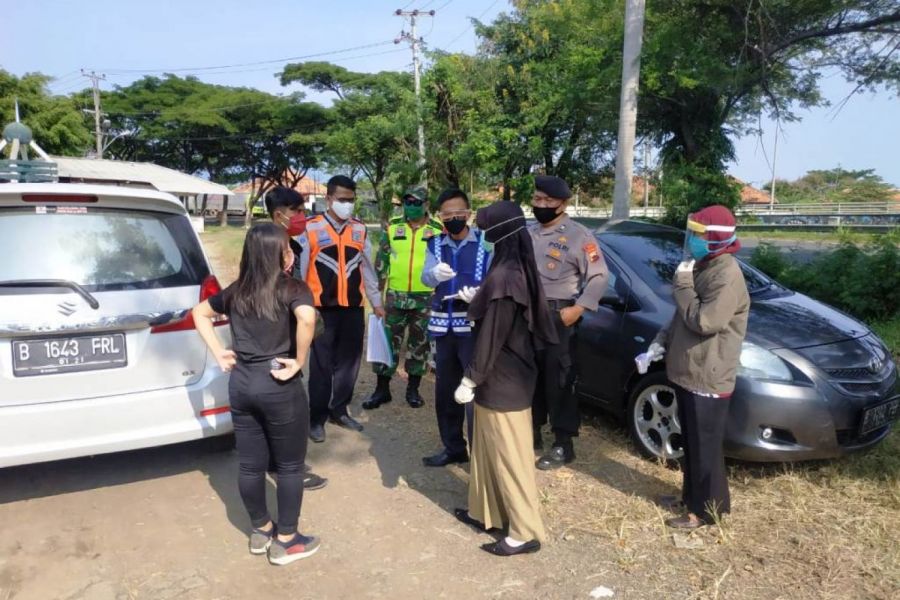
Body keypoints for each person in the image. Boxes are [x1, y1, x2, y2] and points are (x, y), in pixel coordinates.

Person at [192, 223, 320, 565]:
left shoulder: (237, 291)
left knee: (250, 465)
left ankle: (261, 530)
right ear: (282, 255)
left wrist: (220, 353)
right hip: (278, 382)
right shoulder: (293, 288)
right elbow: (307, 319)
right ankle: (287, 540)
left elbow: (199, 313)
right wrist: (300, 361)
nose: (291, 253)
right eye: (288, 248)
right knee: (289, 467)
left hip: (242, 383)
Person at [452, 201, 559, 557]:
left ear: (498, 233)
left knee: (510, 457)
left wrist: (470, 379)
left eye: (483, 230)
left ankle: (524, 532)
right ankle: (485, 512)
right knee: (485, 449)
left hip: (504, 379)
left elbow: (492, 336)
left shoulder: (505, 277)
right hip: (501, 376)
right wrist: (478, 300)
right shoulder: (508, 269)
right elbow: (497, 316)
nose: (480, 235)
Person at [638, 205, 749, 529]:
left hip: (708, 375)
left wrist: (683, 285)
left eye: (699, 234)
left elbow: (704, 321)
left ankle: (705, 512)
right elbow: (681, 317)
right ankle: (691, 497)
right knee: (691, 442)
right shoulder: (704, 266)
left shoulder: (726, 275)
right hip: (689, 371)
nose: (693, 240)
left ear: (716, 238)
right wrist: (660, 342)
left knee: (705, 448)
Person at [296, 175, 386, 442]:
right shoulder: (310, 228)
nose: (347, 204)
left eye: (351, 199)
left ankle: (339, 410)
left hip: (353, 308)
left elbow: (367, 269)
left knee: (349, 363)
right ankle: (317, 418)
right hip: (321, 309)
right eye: (342, 199)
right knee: (321, 365)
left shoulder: (360, 229)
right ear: (329, 199)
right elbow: (302, 270)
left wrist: (376, 303)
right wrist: (301, 306)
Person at [528, 175, 609, 470]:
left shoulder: (579, 236)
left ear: (563, 204)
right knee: (530, 376)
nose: (541, 204)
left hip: (559, 317)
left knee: (560, 380)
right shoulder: (529, 232)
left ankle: (563, 443)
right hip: (528, 316)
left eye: (548, 200)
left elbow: (599, 276)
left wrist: (579, 308)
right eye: (537, 199)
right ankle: (532, 432)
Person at [419, 188, 491, 467]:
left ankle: (480, 456)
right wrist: (433, 274)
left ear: (469, 213)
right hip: (444, 329)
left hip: (474, 330)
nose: (453, 219)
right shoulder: (435, 244)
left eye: (458, 213)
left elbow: (497, 279)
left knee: (474, 392)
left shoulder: (487, 243)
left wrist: (481, 295)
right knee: (446, 392)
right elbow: (426, 279)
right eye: (447, 215)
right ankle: (453, 448)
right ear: (440, 217)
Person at [264, 186, 327, 491]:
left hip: (287, 332)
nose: (303, 216)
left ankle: (281, 462)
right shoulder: (268, 249)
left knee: (287, 401)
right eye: (297, 211)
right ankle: (285, 468)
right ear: (280, 215)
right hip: (276, 335)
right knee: (286, 406)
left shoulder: (290, 245)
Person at [363, 187, 443, 410]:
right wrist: (376, 298)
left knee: (420, 343)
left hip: (426, 297)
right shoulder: (393, 227)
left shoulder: (438, 230)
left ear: (426, 204)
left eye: (416, 203)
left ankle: (413, 390)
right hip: (395, 296)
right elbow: (382, 262)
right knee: (388, 342)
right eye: (407, 202)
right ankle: (382, 390)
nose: (411, 206)